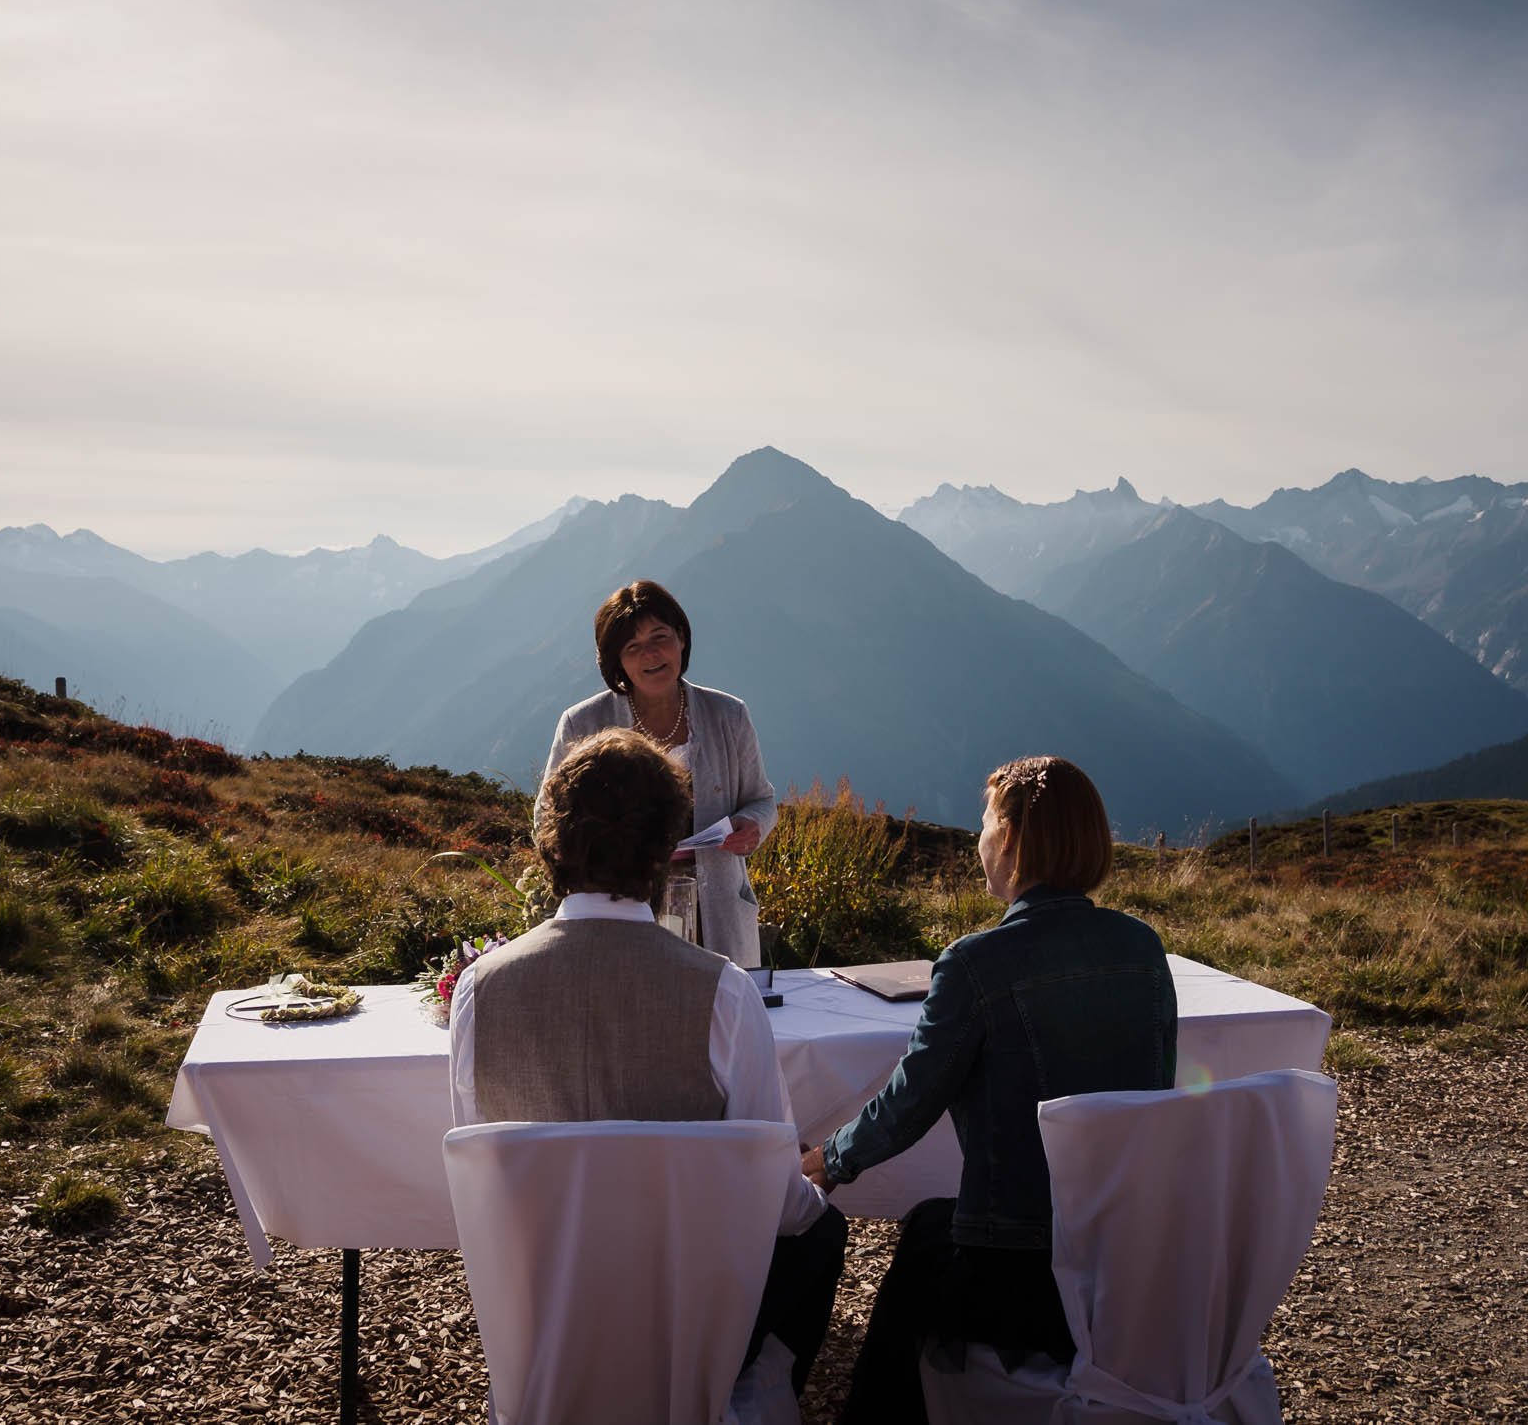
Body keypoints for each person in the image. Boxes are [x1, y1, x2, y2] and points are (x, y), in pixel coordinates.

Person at [455, 728, 846, 1393]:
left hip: (547, 1316)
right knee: (822, 1232)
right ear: (670, 848)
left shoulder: (479, 989)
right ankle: (744, 1393)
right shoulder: (723, 991)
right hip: (684, 1324)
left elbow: (484, 1174)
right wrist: (815, 1183)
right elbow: (777, 1204)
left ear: (550, 840)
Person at [802, 755, 1178, 1423]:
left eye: (984, 823)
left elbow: (907, 1104)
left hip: (1022, 1275)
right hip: (1126, 1263)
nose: (978, 839)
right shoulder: (1144, 949)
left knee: (923, 1247)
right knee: (928, 1227)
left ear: (1009, 838)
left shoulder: (976, 962)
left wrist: (827, 1160)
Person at [537, 579, 778, 967]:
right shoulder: (583, 722)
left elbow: (762, 799)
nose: (650, 654)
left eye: (659, 637)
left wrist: (751, 824)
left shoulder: (729, 715)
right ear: (616, 660)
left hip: (716, 912)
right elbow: (546, 818)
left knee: (720, 1012)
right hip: (618, 909)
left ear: (681, 638)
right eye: (632, 646)